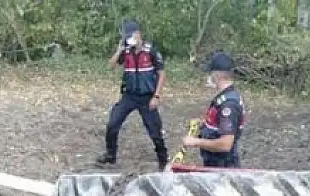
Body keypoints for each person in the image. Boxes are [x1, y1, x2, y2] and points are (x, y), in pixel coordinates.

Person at [96, 19, 168, 169]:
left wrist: (156, 96)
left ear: (138, 34)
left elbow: (162, 74)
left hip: (147, 97)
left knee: (154, 129)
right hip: (129, 96)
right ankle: (111, 155)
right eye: (126, 36)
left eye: (131, 35)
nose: (129, 38)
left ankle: (163, 159)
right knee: (113, 123)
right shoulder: (126, 51)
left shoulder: (151, 51)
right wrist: (119, 50)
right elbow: (110, 66)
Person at [182, 51, 245, 168]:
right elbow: (220, 123)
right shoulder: (225, 96)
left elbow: (225, 144)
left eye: (210, 73)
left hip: (223, 167)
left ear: (217, 75)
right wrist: (205, 124)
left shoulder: (228, 105)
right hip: (215, 163)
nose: (208, 77)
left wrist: (196, 142)